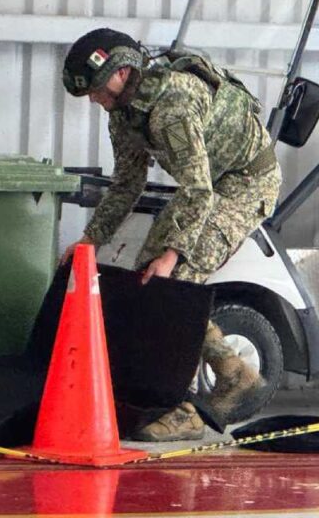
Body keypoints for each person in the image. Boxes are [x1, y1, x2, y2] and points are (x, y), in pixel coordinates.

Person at [60, 28, 282, 441]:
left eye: (97, 88)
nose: (94, 98)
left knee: (173, 282)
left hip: (245, 184)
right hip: (207, 184)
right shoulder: (123, 112)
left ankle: (190, 409)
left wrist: (172, 254)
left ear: (123, 72)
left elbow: (199, 190)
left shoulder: (170, 108)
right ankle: (234, 372)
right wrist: (90, 239)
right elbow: (127, 183)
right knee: (150, 280)